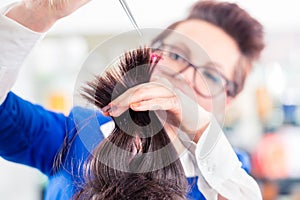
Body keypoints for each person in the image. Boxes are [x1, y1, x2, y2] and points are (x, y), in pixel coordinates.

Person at [0, 0, 264, 199]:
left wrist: (200, 128)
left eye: (211, 75)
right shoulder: (77, 132)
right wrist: (41, 12)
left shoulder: (228, 175)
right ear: (151, 57)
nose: (184, 76)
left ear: (227, 101)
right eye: (177, 55)